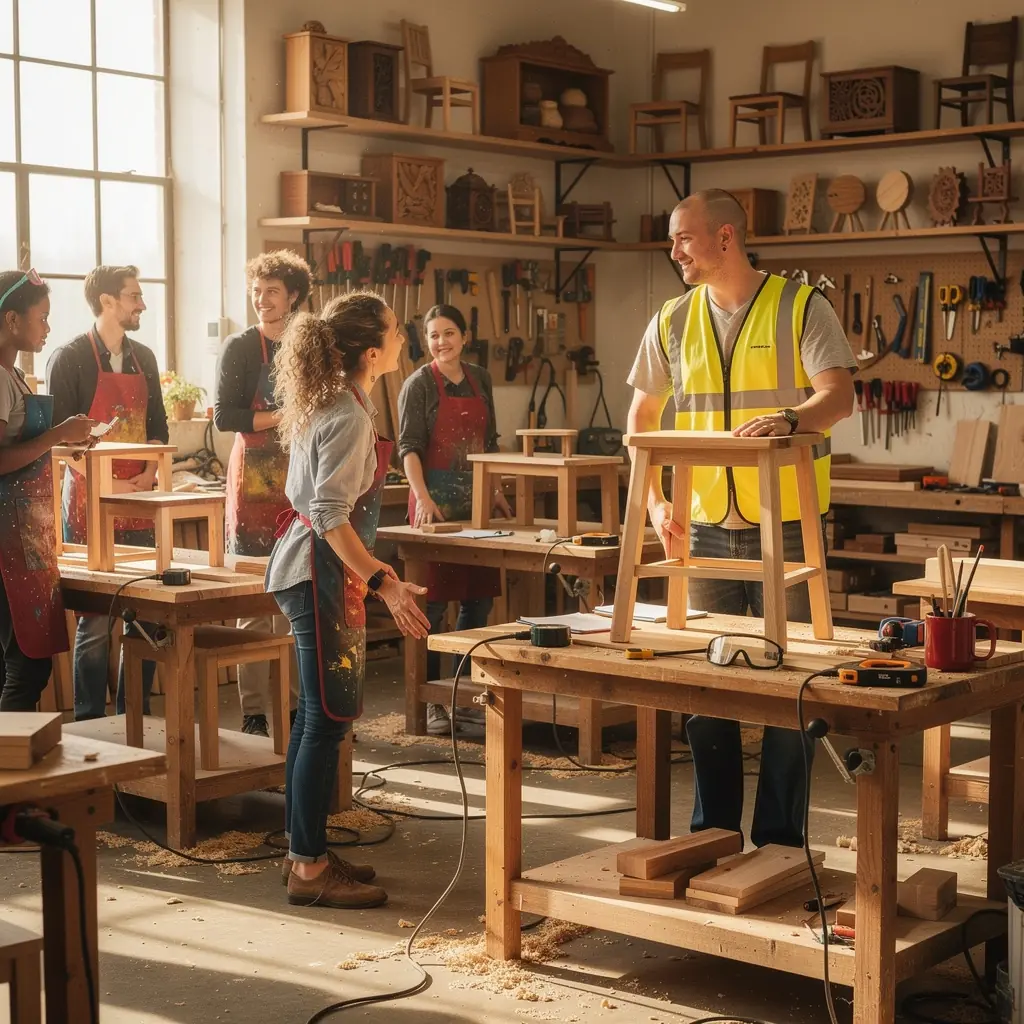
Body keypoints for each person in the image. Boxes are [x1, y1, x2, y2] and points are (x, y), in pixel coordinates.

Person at [626, 189, 856, 849]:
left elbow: (837, 396)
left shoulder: (801, 306)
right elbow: (640, 423)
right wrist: (657, 505)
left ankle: (780, 844)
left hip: (785, 520)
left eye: (684, 239)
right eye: (672, 241)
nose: (674, 252)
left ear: (726, 237)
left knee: (793, 686)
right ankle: (715, 836)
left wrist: (789, 419)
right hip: (699, 525)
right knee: (708, 683)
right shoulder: (671, 320)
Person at [267, 290, 430, 909]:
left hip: (317, 571)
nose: (402, 339)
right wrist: (384, 582)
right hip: (319, 573)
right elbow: (330, 513)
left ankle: (303, 852)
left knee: (316, 719)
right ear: (371, 350)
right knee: (326, 721)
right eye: (395, 331)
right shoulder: (349, 414)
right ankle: (308, 871)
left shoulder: (335, 402)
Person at [47, 265, 169, 721]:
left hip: (139, 502)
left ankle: (133, 720)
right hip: (88, 505)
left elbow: (158, 430)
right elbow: (58, 444)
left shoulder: (146, 359)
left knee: (145, 614)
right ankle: (90, 725)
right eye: (134, 296)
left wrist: (147, 477)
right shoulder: (69, 358)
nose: (141, 304)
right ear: (107, 302)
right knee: (96, 624)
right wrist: (107, 481)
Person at [397, 304, 510, 736]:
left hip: (476, 504)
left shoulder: (481, 378)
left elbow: (491, 441)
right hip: (435, 507)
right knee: (432, 604)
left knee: (477, 601)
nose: (441, 342)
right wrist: (422, 497)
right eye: (433, 335)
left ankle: (465, 696)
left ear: (464, 336)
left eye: (449, 333)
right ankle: (431, 704)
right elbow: (408, 447)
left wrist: (496, 490)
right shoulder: (419, 384)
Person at [215, 250, 312, 736]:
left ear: (292, 295)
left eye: (271, 291)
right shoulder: (239, 348)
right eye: (256, 290)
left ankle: (295, 711)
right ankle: (254, 711)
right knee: (254, 603)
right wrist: (283, 416)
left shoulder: (309, 345)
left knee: (296, 600)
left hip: (301, 481)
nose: (261, 299)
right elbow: (224, 417)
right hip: (252, 482)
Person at [0, 270, 97, 710]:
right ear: (12, 320)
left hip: (25, 532)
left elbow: (22, 451)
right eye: (42, 318)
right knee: (25, 666)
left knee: (21, 663)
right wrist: (57, 434)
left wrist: (65, 445)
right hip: (5, 539)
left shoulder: (14, 374)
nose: (47, 328)